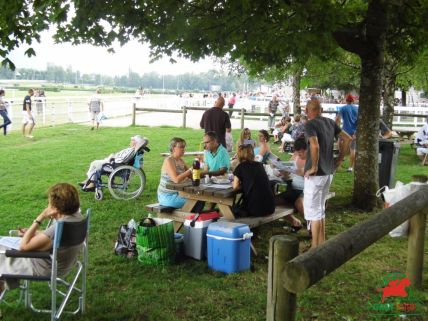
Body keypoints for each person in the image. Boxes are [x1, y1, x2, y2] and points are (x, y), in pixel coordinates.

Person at [0, 183, 83, 292]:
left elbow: (23, 247)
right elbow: (50, 237)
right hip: (60, 264)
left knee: (2, 254)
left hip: (42, 266)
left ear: (55, 207)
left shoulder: (59, 227)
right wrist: (33, 233)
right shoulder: (76, 218)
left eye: (49, 203)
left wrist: (40, 218)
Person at [304, 99, 351, 249]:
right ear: (321, 109)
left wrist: (314, 166)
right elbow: (347, 138)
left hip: (316, 174)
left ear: (308, 111)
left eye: (307, 110)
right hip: (329, 172)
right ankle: (321, 243)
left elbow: (315, 145)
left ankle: (314, 247)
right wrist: (340, 159)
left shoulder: (310, 124)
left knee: (313, 212)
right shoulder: (330, 123)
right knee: (320, 208)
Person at [80, 135, 147, 190]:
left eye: (132, 140)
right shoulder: (132, 150)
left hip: (115, 165)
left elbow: (122, 159)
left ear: (135, 143)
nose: (131, 141)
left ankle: (92, 183)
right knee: (95, 164)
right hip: (115, 163)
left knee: (94, 164)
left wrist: (113, 158)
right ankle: (89, 180)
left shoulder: (131, 151)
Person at [232, 144, 275, 217]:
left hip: (255, 209)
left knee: (234, 209)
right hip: (270, 207)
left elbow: (235, 187)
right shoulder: (260, 165)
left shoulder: (241, 166)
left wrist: (243, 185)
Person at [275, 138, 308, 230]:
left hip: (305, 188)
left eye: (301, 152)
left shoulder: (312, 158)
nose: (299, 154)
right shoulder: (296, 154)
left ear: (307, 149)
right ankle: (295, 221)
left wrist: (293, 170)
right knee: (272, 201)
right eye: (297, 152)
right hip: (292, 187)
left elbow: (305, 172)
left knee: (299, 203)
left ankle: (311, 226)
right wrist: (282, 171)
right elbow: (288, 166)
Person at [157, 137, 193, 208]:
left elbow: (191, 176)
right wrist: (190, 170)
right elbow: (176, 180)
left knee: (199, 200)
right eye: (181, 147)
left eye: (184, 147)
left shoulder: (181, 161)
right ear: (173, 148)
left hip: (179, 193)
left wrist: (198, 165)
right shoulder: (169, 160)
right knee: (196, 202)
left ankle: (189, 218)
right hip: (167, 196)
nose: (183, 149)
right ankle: (189, 218)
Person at [336, 94, 358, 172]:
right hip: (354, 132)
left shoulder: (343, 108)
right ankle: (351, 167)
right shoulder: (357, 109)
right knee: (353, 149)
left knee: (339, 145)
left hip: (344, 131)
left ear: (346, 100)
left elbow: (338, 119)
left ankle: (339, 163)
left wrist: (337, 129)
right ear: (353, 100)